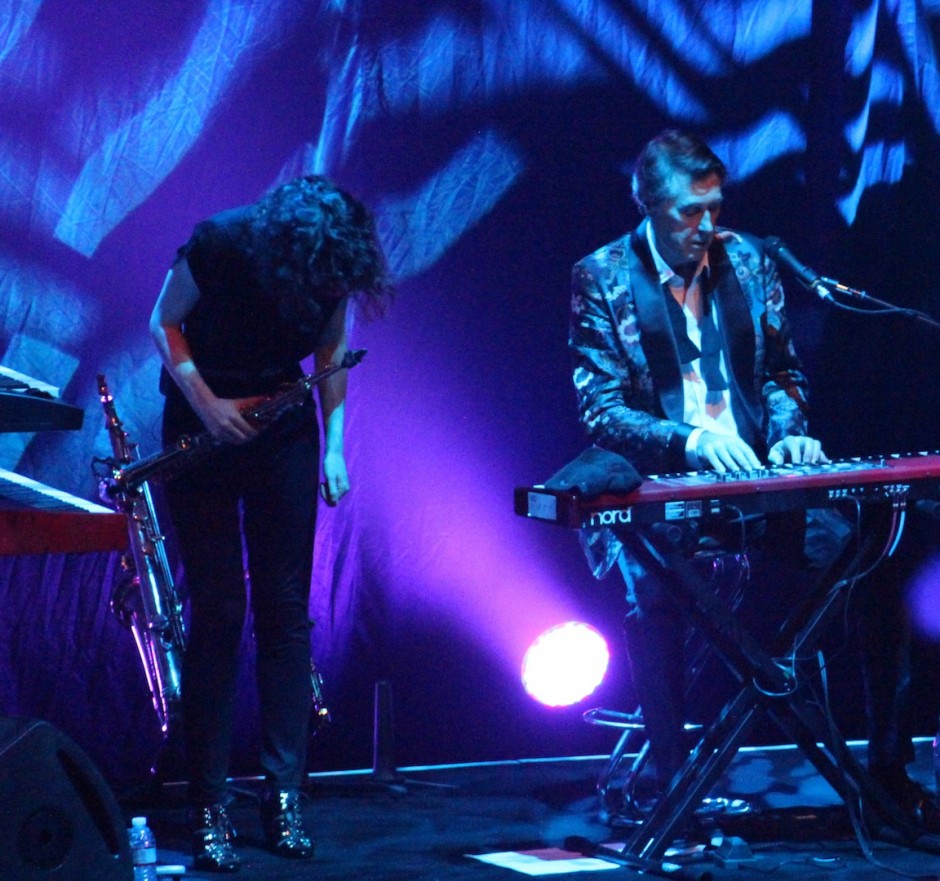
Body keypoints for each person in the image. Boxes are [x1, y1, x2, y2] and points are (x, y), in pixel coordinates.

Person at [568, 130, 841, 815]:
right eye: (690, 212)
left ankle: (877, 770)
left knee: (856, 550)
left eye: (715, 207)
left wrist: (790, 435)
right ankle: (672, 785)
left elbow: (783, 373)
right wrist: (689, 441)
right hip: (662, 490)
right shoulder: (602, 276)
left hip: (754, 482)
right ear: (649, 205)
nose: (707, 225)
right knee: (659, 592)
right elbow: (601, 410)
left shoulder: (748, 260)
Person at [150, 175, 391, 872]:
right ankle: (209, 802)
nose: (330, 291)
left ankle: (283, 794)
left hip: (282, 428)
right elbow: (163, 321)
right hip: (202, 424)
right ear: (293, 255)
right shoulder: (223, 240)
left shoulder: (333, 272)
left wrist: (335, 444)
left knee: (285, 613)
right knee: (220, 609)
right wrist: (207, 404)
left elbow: (331, 352)